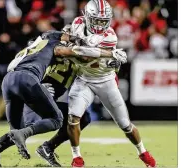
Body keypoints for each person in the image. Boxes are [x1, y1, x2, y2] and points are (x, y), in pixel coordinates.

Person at [0, 30, 126, 167]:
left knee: (81, 118)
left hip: (23, 87)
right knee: (29, 127)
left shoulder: (78, 60)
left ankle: (46, 148)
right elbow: (73, 51)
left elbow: (92, 67)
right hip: (33, 92)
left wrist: (109, 65)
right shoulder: (57, 48)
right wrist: (108, 54)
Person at [66, 0, 156, 167]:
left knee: (125, 124)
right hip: (84, 79)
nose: (101, 25)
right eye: (97, 20)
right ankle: (76, 157)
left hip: (104, 80)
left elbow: (85, 55)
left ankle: (142, 151)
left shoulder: (110, 36)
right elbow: (77, 45)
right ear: (87, 16)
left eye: (103, 20)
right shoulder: (78, 22)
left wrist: (74, 45)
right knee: (73, 117)